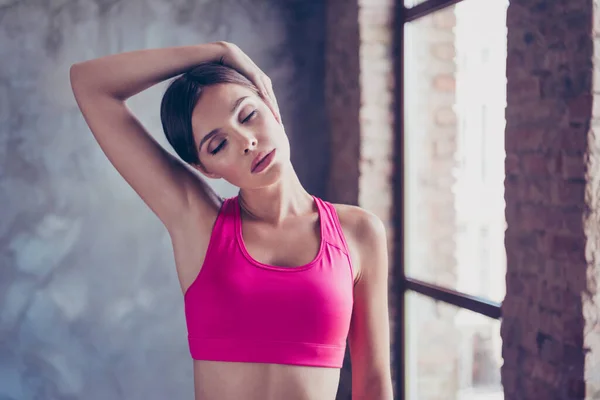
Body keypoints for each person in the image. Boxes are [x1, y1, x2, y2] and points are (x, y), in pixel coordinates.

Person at [69, 41, 393, 400]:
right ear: (204, 168)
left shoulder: (359, 233)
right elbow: (89, 83)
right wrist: (219, 51)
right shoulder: (198, 221)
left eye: (247, 114)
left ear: (269, 102)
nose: (246, 142)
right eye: (217, 145)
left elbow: (374, 385)